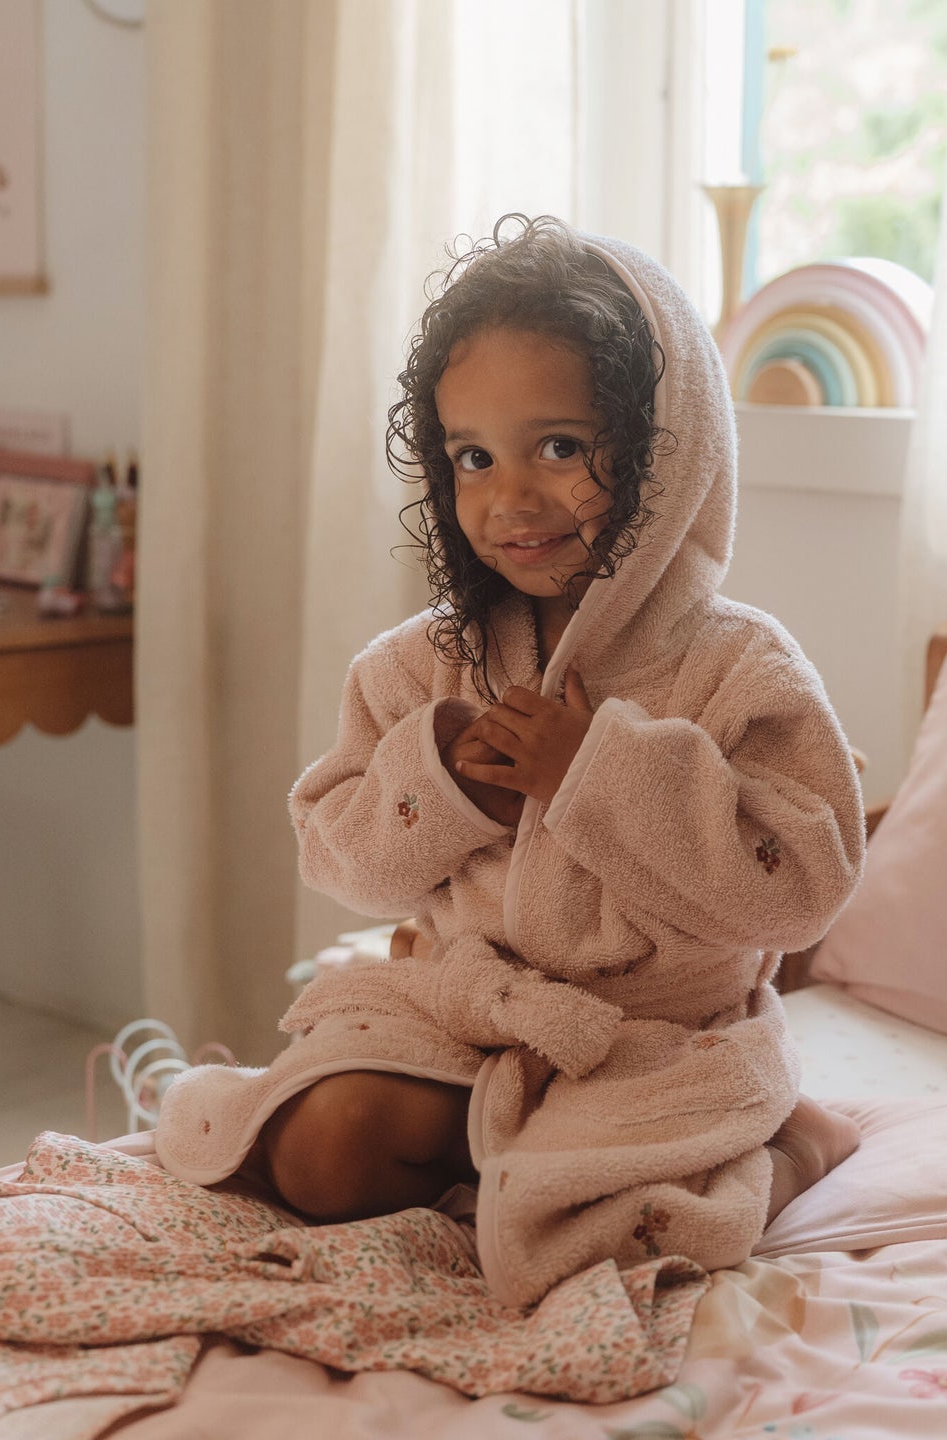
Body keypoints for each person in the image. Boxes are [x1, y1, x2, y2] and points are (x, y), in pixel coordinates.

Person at [156, 215, 865, 1307]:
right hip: (468, 1012)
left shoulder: (739, 667)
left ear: (667, 450)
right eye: (474, 458)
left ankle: (787, 1145)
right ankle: (493, 1147)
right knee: (320, 1152)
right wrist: (437, 785)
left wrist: (600, 774)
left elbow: (805, 883)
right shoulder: (421, 664)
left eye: (561, 448)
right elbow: (335, 856)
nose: (512, 498)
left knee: (588, 1246)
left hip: (655, 1043)